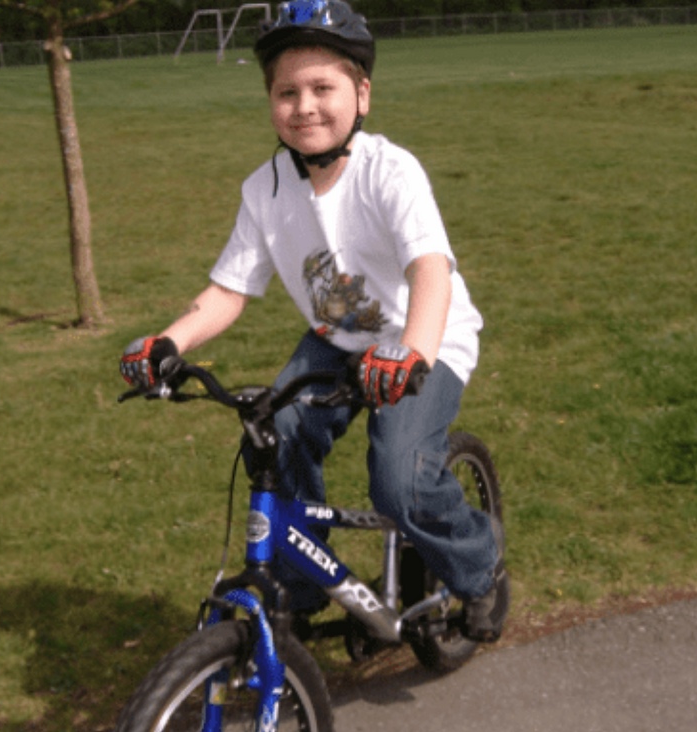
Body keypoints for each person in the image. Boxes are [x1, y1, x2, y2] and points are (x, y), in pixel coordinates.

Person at [120, 0, 507, 643]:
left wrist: (412, 350)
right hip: (337, 338)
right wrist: (168, 341)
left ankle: (479, 566)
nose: (305, 107)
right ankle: (300, 590)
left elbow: (430, 272)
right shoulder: (265, 189)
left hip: (423, 337)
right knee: (271, 436)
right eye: (287, 92)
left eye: (323, 88)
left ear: (362, 95)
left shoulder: (390, 171)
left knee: (401, 481)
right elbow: (229, 290)